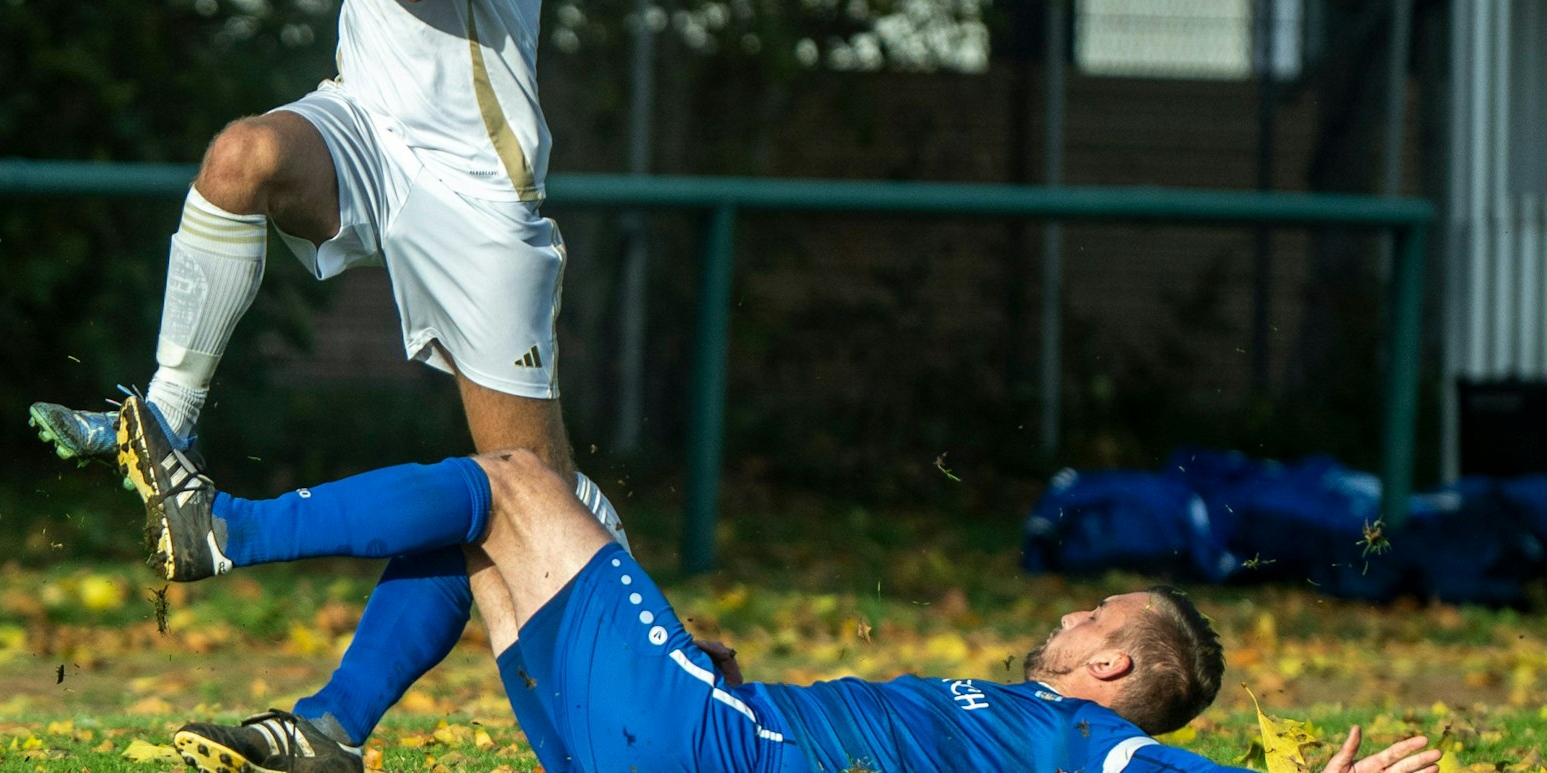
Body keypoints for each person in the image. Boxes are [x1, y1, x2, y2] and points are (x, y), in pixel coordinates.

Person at [26, 0, 622, 762]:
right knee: (242, 156)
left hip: (471, 190)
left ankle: (350, 725)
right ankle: (165, 426)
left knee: (529, 506)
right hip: (360, 130)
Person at [112, 393, 1443, 773]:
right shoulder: (1000, 722)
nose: (1078, 609)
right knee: (486, 534)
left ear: (1115, 672)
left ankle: (222, 531)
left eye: (1104, 618)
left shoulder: (1086, 740)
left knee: (524, 483)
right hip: (680, 741)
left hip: (701, 749)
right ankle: (333, 727)